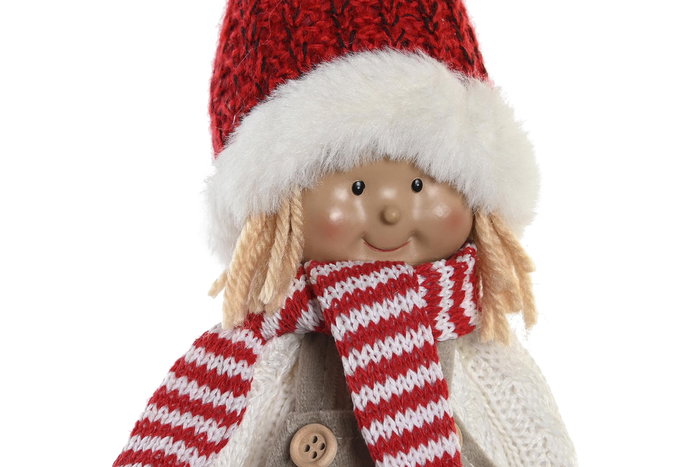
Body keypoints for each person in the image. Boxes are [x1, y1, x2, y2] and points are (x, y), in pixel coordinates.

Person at [114, 0, 577, 464]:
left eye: (419, 184)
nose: (392, 211)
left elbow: (536, 446)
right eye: (356, 187)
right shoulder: (258, 357)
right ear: (277, 210)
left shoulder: (478, 346)